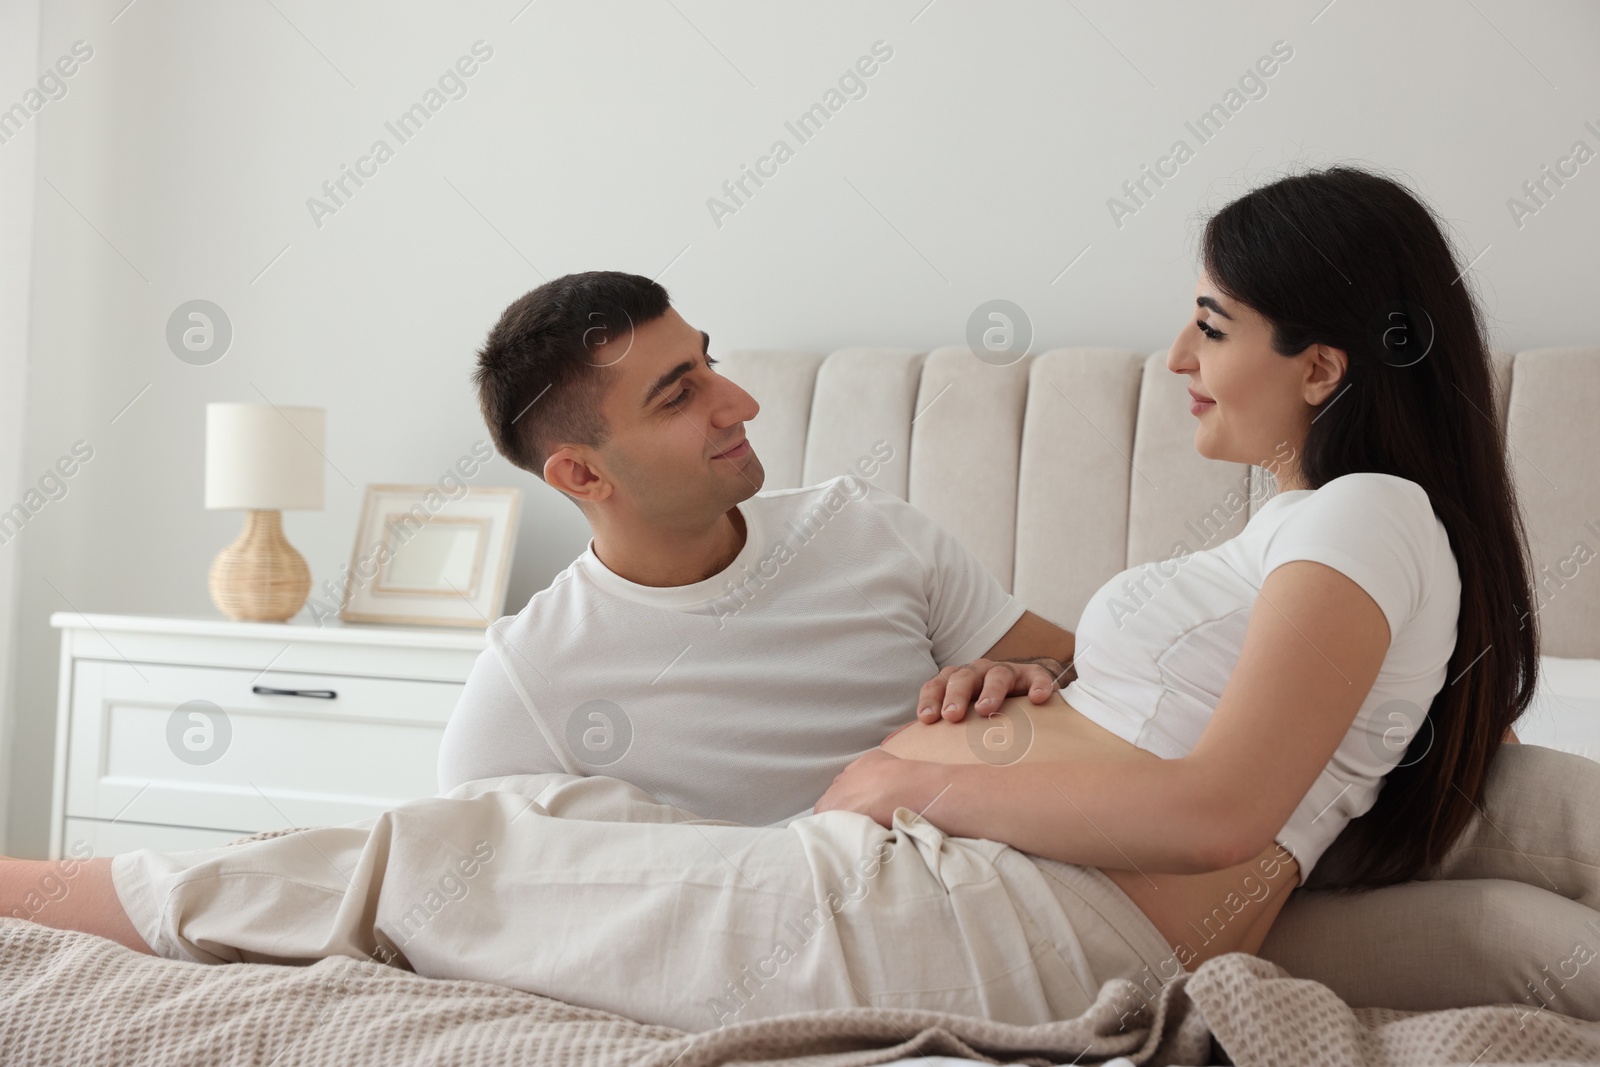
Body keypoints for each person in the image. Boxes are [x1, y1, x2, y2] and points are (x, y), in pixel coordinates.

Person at [4, 164, 1591, 1033]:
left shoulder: (1364, 519)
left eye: (1209, 325)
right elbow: (1188, 752)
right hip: (921, 883)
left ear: (1318, 364)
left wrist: (921, 781)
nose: (1179, 358)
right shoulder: (1340, 530)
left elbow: (1223, 803)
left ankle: (31, 890)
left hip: (967, 906)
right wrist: (1010, 713)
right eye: (685, 392)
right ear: (585, 476)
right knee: (526, 823)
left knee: (443, 864)